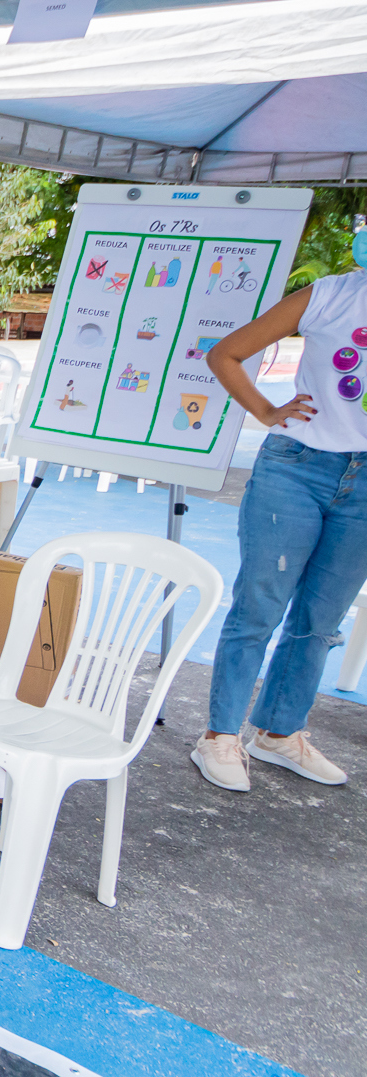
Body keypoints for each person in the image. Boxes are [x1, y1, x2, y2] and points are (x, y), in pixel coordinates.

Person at [191, 231, 367, 791]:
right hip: (297, 468)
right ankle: (220, 737)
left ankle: (278, 733)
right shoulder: (331, 296)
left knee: (319, 621)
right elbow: (226, 353)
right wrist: (267, 410)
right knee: (260, 606)